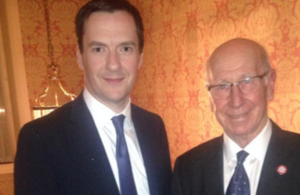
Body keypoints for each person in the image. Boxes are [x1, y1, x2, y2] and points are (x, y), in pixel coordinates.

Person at [14, 0, 172, 195]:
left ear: (140, 58)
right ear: (80, 57)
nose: (113, 65)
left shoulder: (154, 126)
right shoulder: (40, 139)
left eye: (125, 49)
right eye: (98, 49)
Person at [171, 38, 300, 195]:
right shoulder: (187, 168)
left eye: (246, 81)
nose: (236, 101)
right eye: (222, 86)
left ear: (270, 85)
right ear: (210, 98)